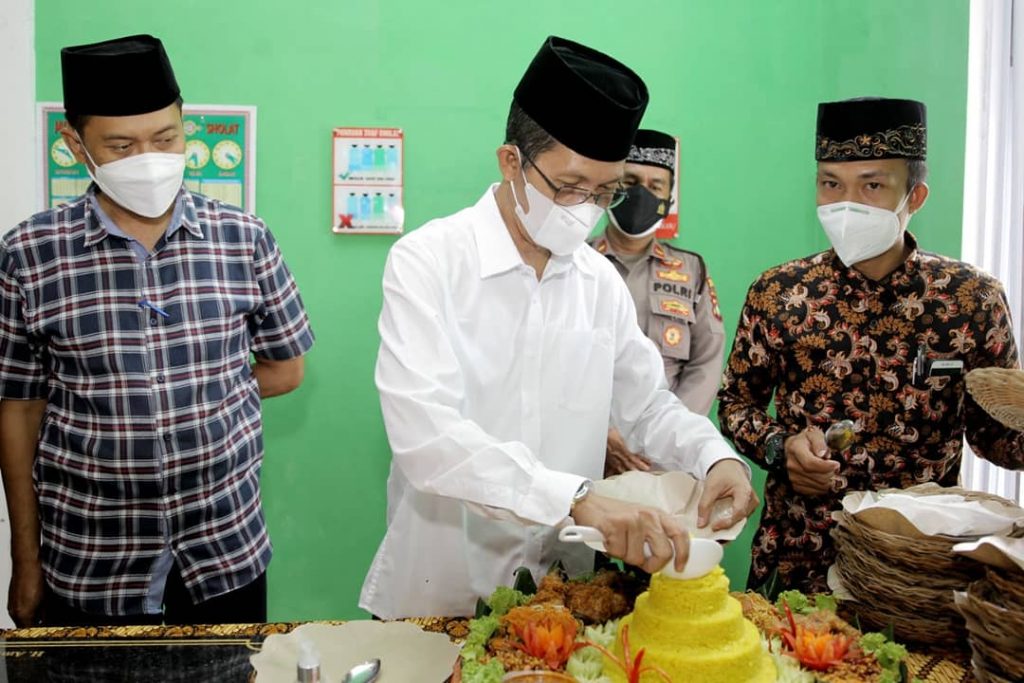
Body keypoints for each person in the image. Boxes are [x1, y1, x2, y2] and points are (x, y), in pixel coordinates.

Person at [360, 36, 758, 619]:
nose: (586, 208)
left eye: (604, 191)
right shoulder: (429, 261)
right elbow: (428, 436)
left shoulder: (598, 283)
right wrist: (576, 498)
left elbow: (646, 407)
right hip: (438, 587)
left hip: (561, 595)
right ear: (511, 162)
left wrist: (714, 458)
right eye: (569, 186)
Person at [0, 34, 314, 627]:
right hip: (90, 562)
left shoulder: (244, 239)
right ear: (74, 145)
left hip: (224, 553)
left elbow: (285, 369)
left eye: (166, 138)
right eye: (121, 145)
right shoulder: (30, 255)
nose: (149, 157)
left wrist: (198, 398)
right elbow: (19, 411)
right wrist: (25, 557)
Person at [717, 97, 1024, 595]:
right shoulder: (780, 293)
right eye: (831, 184)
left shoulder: (970, 298)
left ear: (916, 196)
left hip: (920, 571)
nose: (846, 203)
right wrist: (781, 447)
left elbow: (994, 434)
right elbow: (734, 404)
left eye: (873, 185)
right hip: (803, 555)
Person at [589, 129, 726, 476]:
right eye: (630, 182)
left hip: (667, 459)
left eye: (655, 186)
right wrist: (598, 435)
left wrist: (670, 438)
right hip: (588, 448)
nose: (641, 195)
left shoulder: (691, 269)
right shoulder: (575, 261)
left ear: (669, 197)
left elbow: (706, 364)